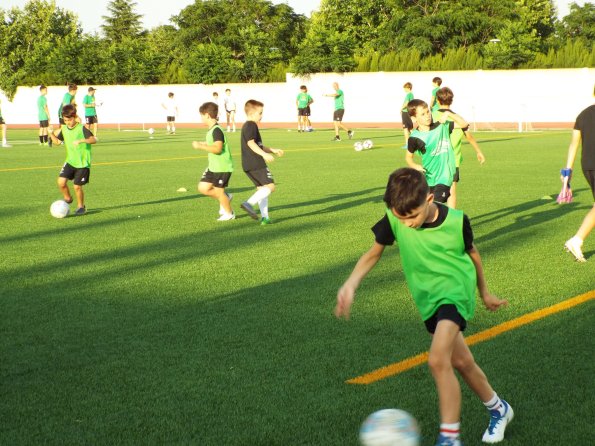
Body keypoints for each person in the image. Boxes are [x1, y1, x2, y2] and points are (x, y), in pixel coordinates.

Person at [335, 167, 513, 446]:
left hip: (455, 293)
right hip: (427, 299)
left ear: (429, 199)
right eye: (400, 217)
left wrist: (484, 292)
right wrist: (351, 284)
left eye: (412, 216)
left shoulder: (456, 221)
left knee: (437, 360)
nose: (406, 223)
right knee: (462, 362)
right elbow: (373, 253)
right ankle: (499, 410)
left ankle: (450, 438)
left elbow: (473, 255)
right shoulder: (395, 218)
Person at [405, 99, 467, 204]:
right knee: (427, 209)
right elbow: (408, 157)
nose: (427, 115)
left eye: (428, 112)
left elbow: (464, 124)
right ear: (414, 118)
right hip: (429, 177)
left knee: (436, 204)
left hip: (445, 176)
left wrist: (448, 114)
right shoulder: (414, 137)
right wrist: (415, 166)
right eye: (423, 114)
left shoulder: (442, 126)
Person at [433, 87, 486, 208]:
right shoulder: (458, 118)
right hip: (453, 160)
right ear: (451, 100)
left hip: (435, 159)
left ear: (437, 100)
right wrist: (478, 152)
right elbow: (469, 136)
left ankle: (434, 218)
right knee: (452, 190)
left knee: (434, 189)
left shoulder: (432, 116)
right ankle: (451, 218)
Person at [562, 84, 595, 262]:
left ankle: (577, 240)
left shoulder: (582, 115)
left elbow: (574, 144)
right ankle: (576, 240)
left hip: (588, 166)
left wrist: (568, 171)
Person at [240, 100, 284, 225]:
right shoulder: (251, 125)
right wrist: (264, 154)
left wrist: (272, 150)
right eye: (260, 113)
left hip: (248, 164)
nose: (261, 115)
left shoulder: (248, 126)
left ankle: (265, 218)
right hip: (256, 162)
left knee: (262, 190)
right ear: (252, 113)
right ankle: (248, 203)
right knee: (271, 187)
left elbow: (258, 145)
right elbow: (251, 143)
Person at [49, 104, 97, 216]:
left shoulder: (81, 128)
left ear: (74, 117)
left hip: (82, 163)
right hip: (70, 161)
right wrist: (51, 133)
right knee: (61, 183)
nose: (67, 122)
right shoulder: (64, 129)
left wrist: (81, 141)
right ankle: (68, 198)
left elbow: (93, 139)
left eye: (69, 120)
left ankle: (81, 207)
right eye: (65, 120)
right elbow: (57, 142)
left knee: (77, 186)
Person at [192, 101, 235, 221]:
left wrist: (200, 147)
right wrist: (203, 143)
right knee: (203, 188)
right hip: (213, 166)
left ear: (207, 115)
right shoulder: (212, 130)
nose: (201, 118)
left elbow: (217, 148)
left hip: (222, 167)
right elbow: (213, 144)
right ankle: (226, 197)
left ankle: (229, 213)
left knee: (218, 191)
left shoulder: (217, 130)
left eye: (201, 115)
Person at [401, 82, 415, 149]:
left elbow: (406, 103)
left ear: (408, 88)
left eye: (405, 88)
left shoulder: (408, 95)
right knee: (411, 128)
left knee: (405, 128)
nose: (404, 90)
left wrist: (401, 108)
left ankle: (407, 144)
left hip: (405, 112)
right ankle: (416, 141)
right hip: (409, 113)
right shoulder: (412, 95)